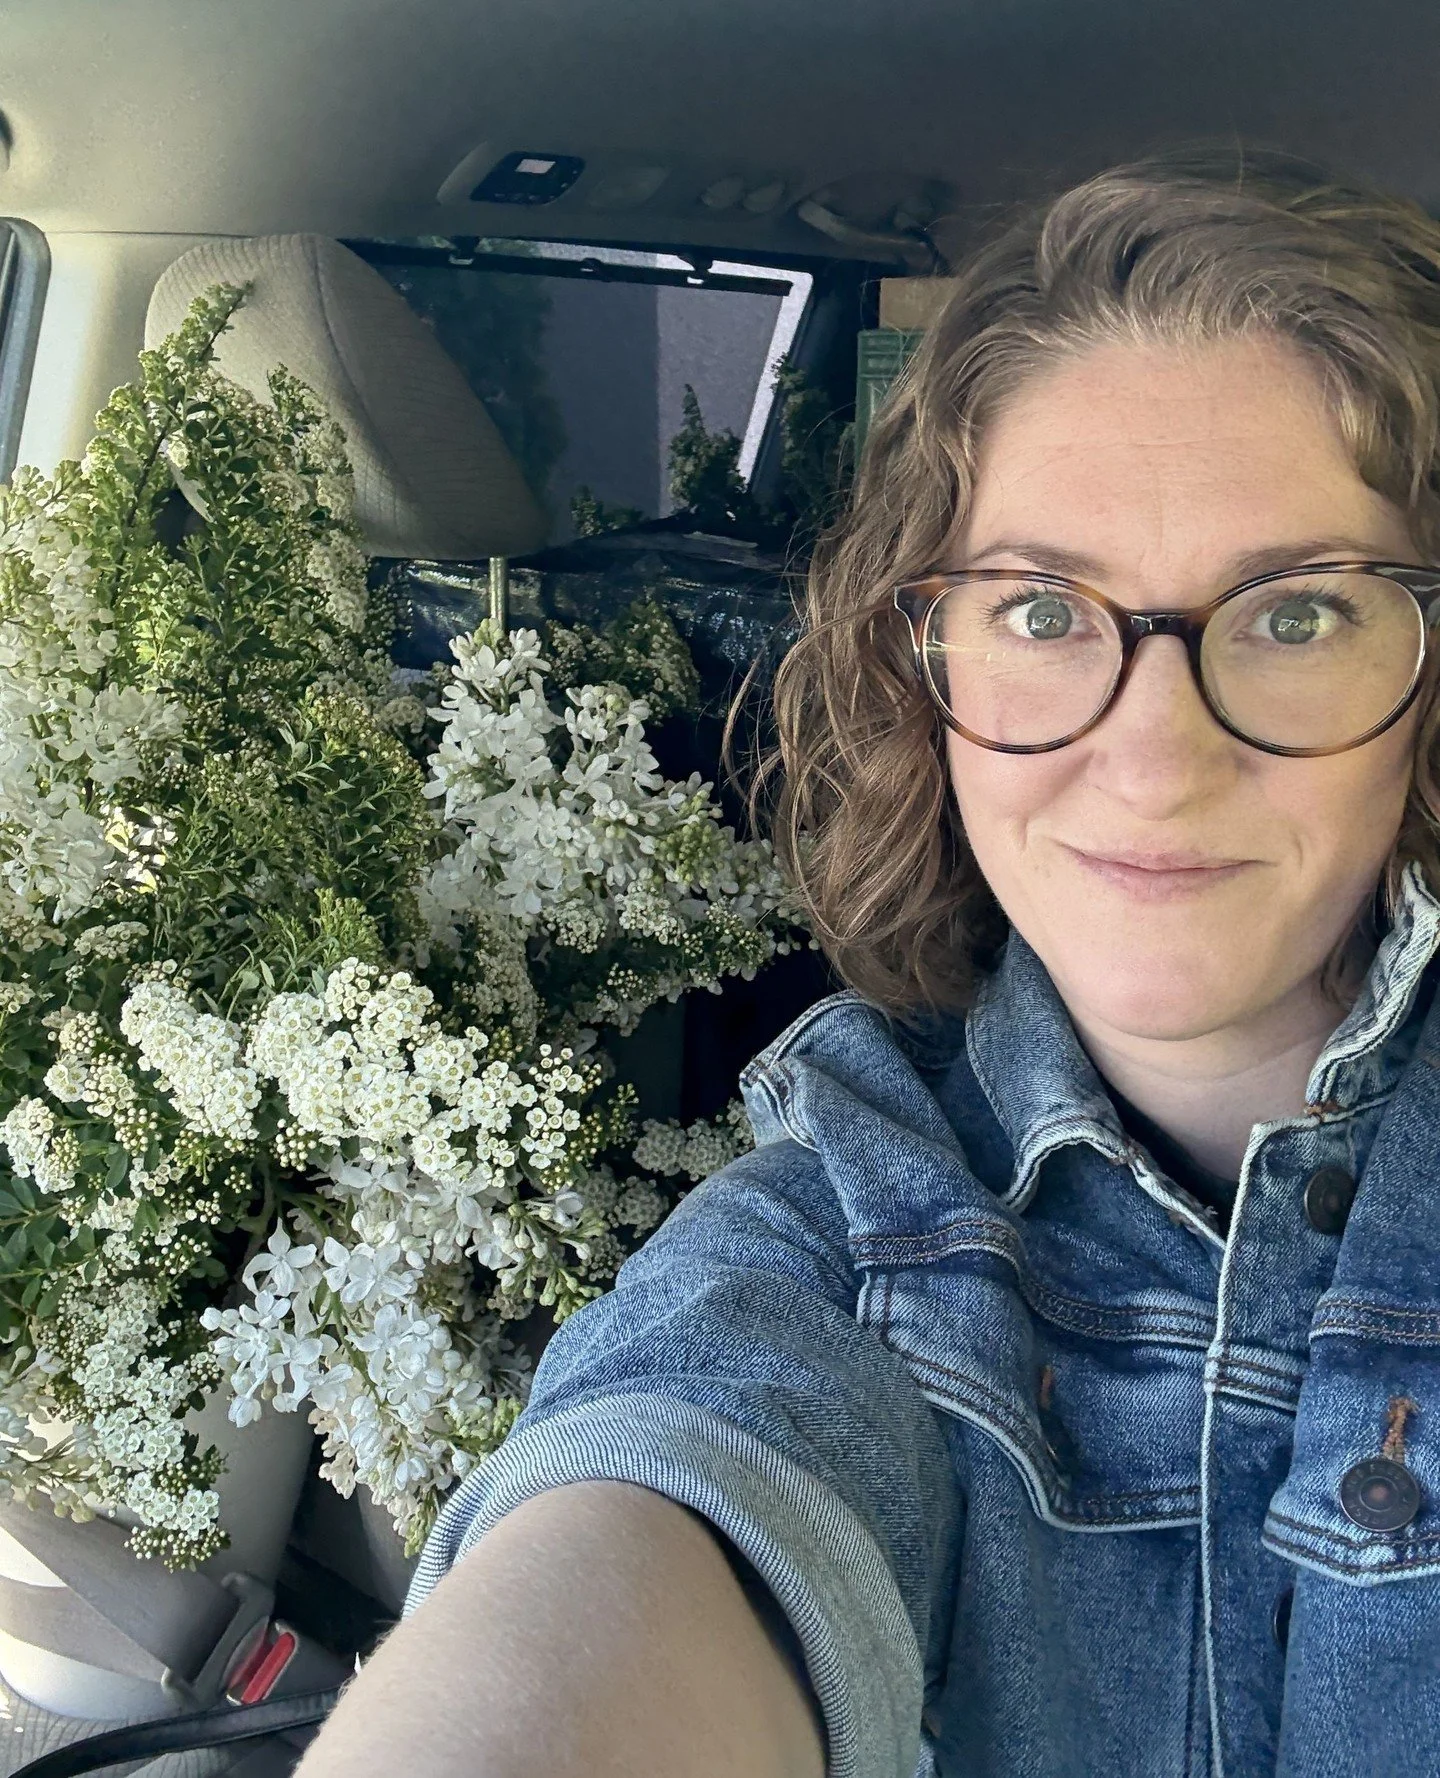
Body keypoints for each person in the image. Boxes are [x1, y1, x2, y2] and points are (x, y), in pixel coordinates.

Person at [296, 149, 1440, 1778]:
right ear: (927, 659)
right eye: (1046, 610)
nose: (1156, 754)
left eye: (1300, 614)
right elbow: (671, 1491)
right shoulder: (840, 1230)